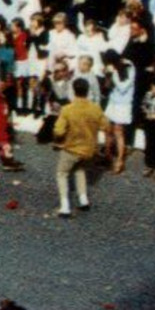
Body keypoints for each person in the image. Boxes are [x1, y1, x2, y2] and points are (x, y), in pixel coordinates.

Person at [51, 76, 106, 218]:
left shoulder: (68, 109)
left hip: (71, 149)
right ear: (87, 91)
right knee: (80, 170)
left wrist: (58, 139)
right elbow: (106, 126)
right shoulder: (96, 108)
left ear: (73, 91)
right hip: (89, 149)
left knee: (62, 174)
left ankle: (64, 206)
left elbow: (59, 131)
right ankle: (83, 199)